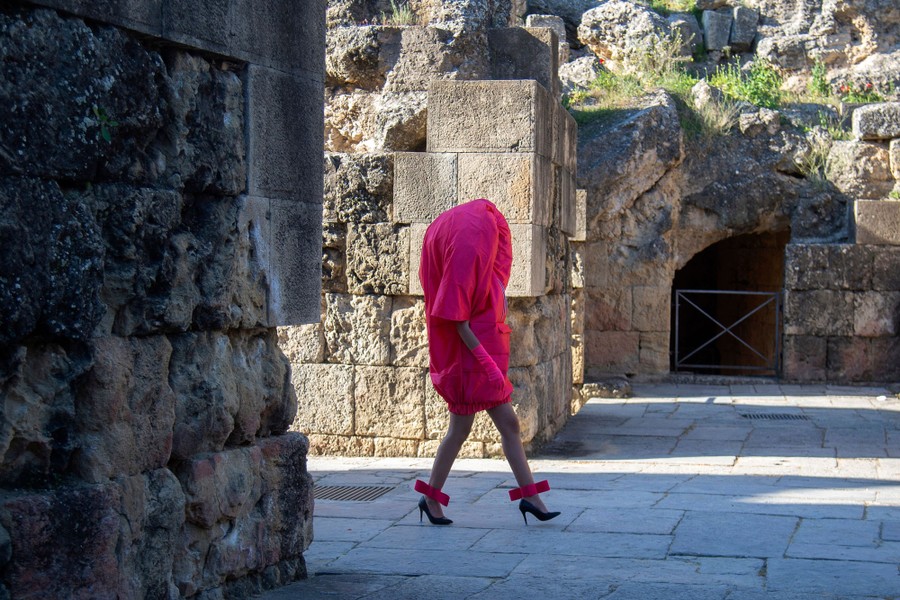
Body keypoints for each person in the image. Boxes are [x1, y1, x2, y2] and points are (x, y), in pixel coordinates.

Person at [414, 198, 560, 526]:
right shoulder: (468, 271)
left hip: (478, 365)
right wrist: (490, 368)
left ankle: (431, 498)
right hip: (474, 367)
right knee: (504, 425)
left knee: (460, 430)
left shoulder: (481, 277)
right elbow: (460, 323)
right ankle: (530, 497)